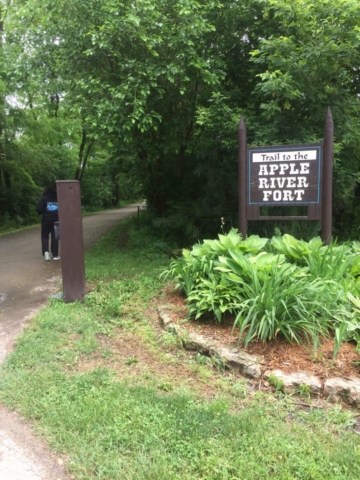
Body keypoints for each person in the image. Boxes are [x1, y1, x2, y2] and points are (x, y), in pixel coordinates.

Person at [36, 184, 60, 261]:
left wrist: (44, 211)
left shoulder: (44, 199)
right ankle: (55, 255)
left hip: (46, 220)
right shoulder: (59, 198)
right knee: (55, 237)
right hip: (57, 219)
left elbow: (39, 209)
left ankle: (46, 253)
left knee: (44, 236)